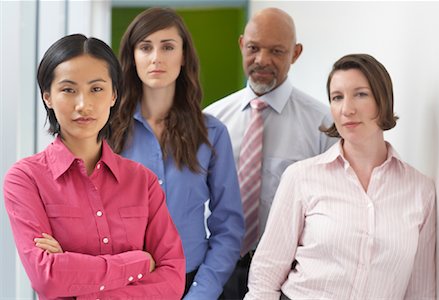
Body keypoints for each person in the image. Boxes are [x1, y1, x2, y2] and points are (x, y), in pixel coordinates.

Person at [3, 34, 185, 299]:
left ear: (113, 96)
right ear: (47, 97)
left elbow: (172, 279)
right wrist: (140, 263)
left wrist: (82, 286)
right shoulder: (25, 179)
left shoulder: (142, 181)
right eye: (68, 89)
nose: (83, 104)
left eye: (96, 89)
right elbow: (47, 277)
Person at [245, 53, 436, 299]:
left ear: (383, 100)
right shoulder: (301, 177)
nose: (347, 109)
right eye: (337, 97)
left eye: (361, 94)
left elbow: (421, 290)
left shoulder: (420, 190)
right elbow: (264, 276)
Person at [108, 7, 245, 299]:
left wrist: (201, 292)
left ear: (183, 56)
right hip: (121, 287)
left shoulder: (212, 133)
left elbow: (228, 228)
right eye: (145, 47)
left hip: (191, 284)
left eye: (167, 47)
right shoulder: (105, 133)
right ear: (133, 57)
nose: (156, 57)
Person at [204, 7, 337, 298]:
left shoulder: (324, 126)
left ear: (296, 53)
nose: (262, 60)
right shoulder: (210, 121)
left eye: (277, 51)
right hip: (218, 270)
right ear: (241, 45)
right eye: (253, 48)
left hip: (289, 277)